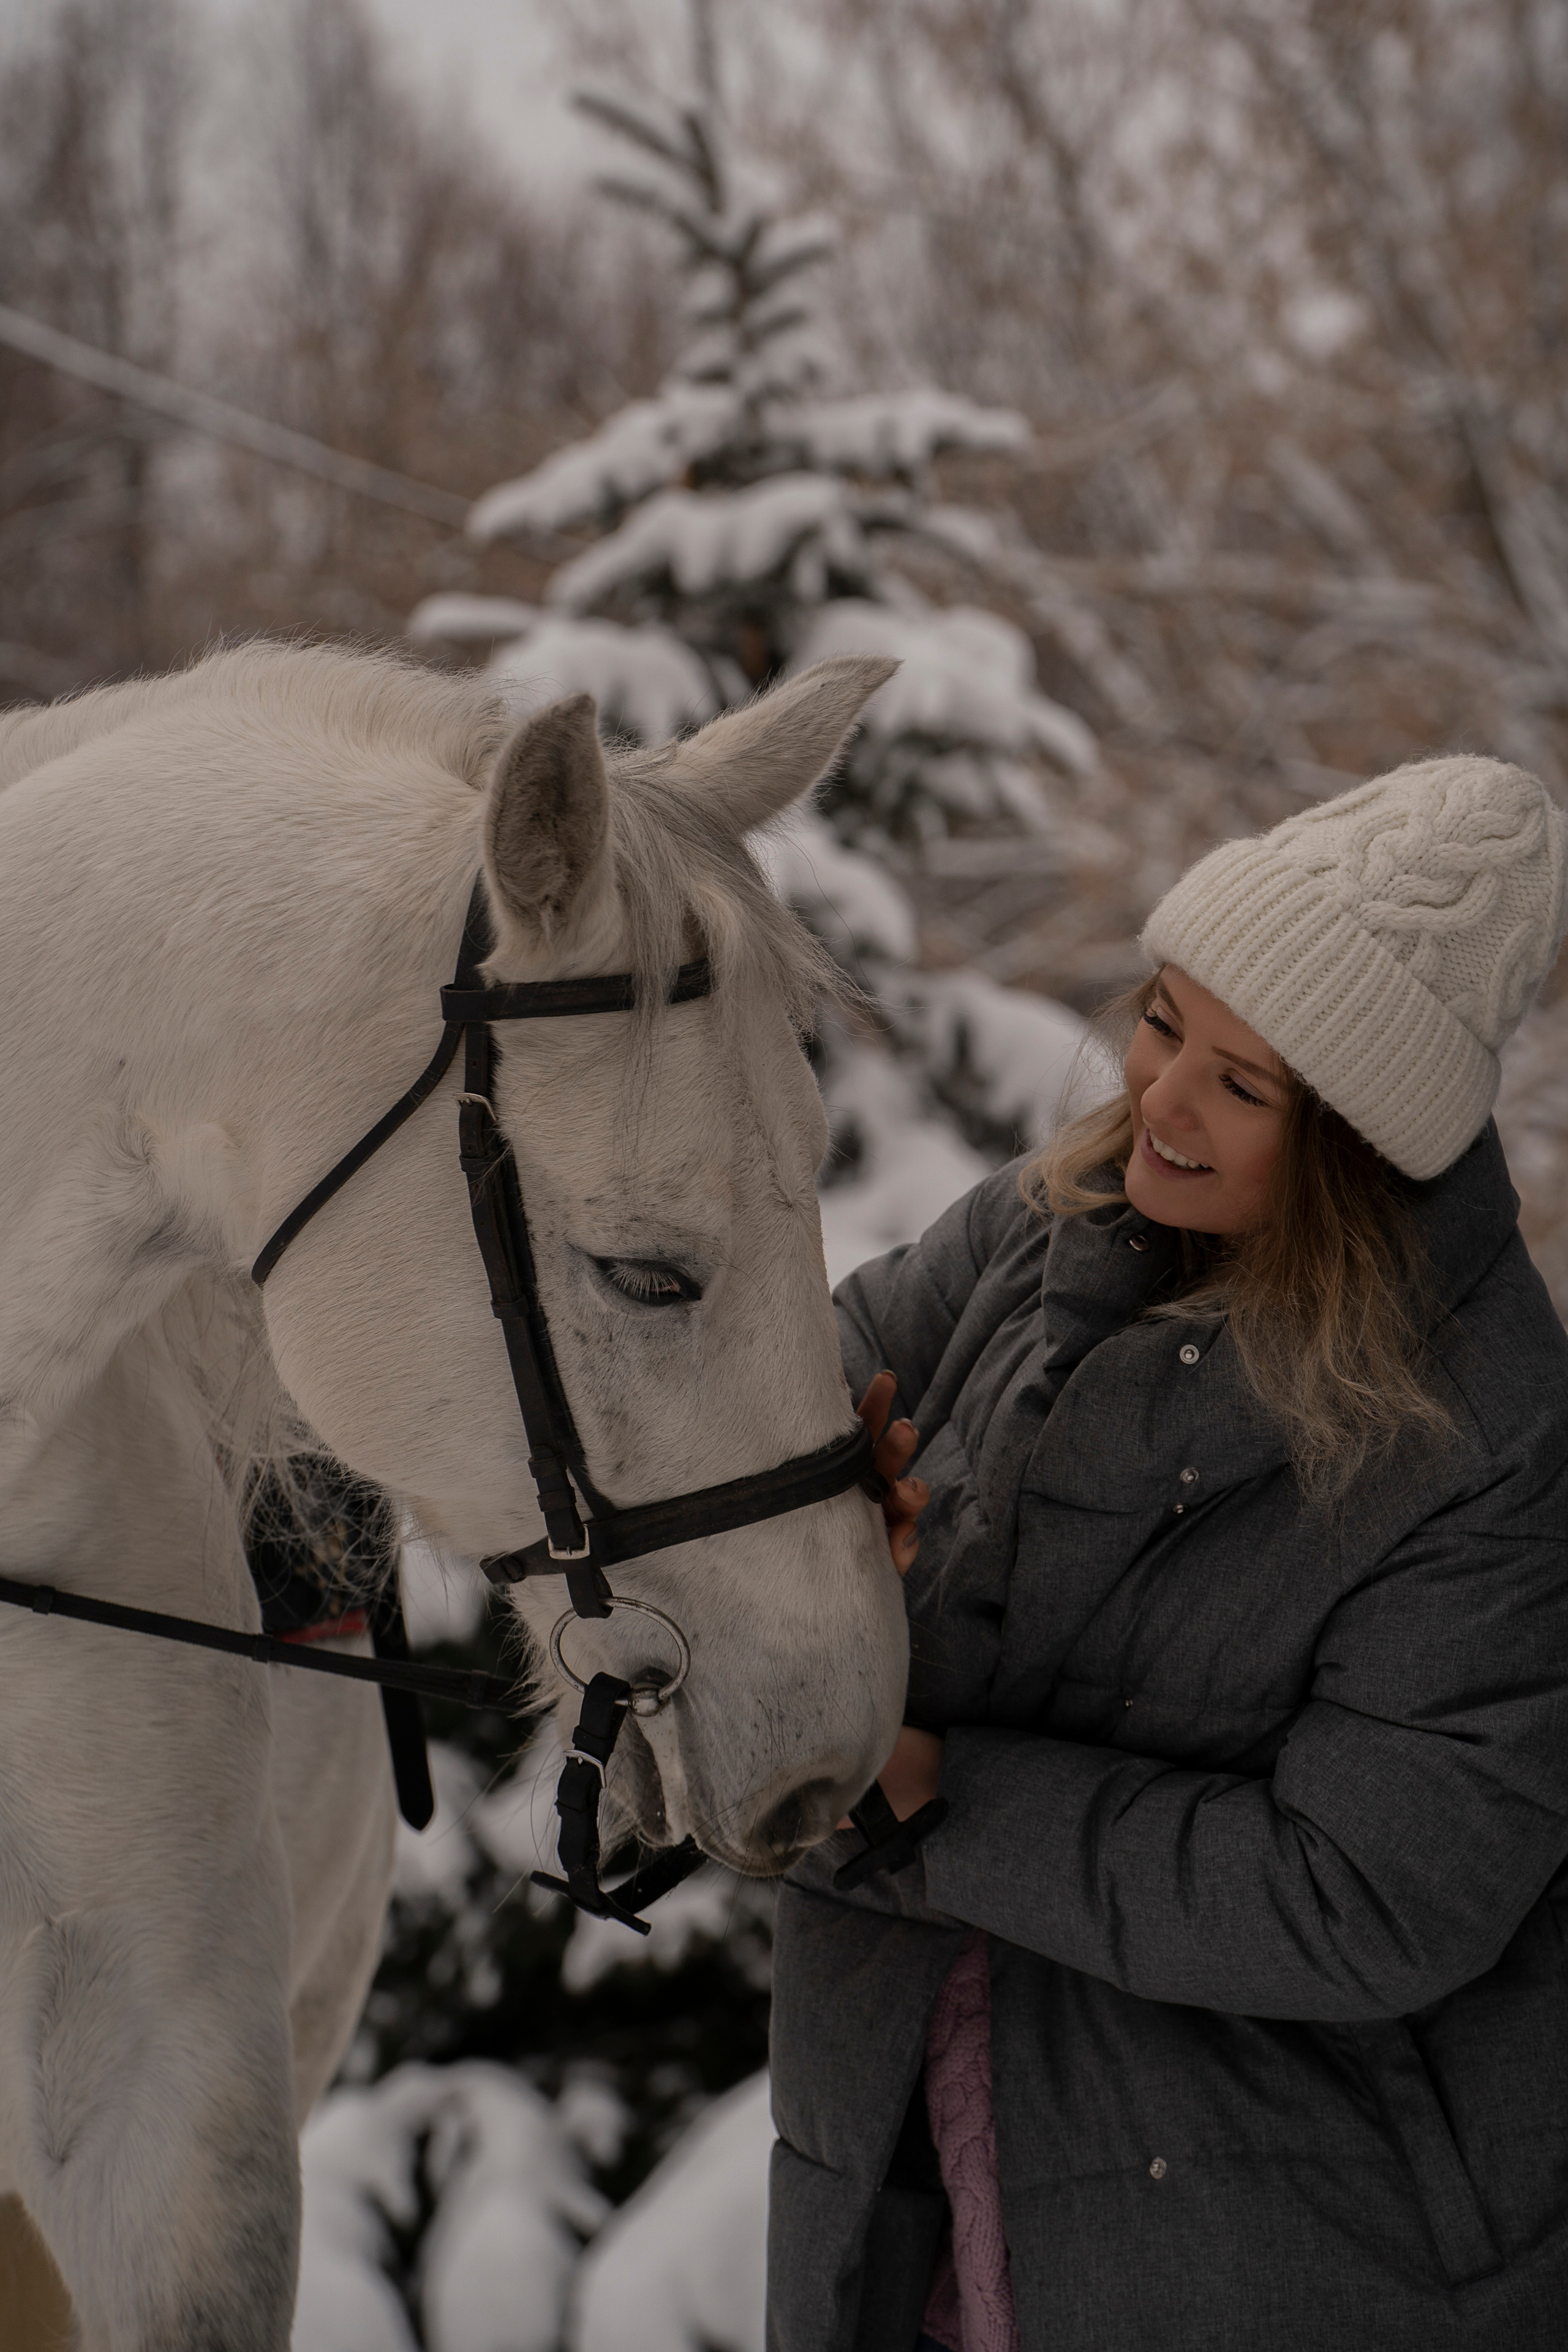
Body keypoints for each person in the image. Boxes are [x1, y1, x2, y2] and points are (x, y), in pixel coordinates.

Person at [766, 755, 1568, 2352]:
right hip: (914, 2138)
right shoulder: (1043, 1223)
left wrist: (940, 1796)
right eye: (1164, 1019)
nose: (1160, 1095)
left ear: (1355, 1149)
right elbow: (777, 1417)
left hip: (1284, 2235)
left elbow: (1365, 1897)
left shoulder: (1484, 1444)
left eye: (1244, 1085)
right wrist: (831, 1517)